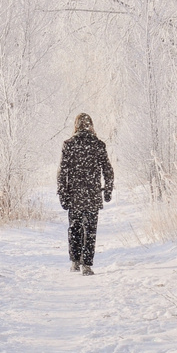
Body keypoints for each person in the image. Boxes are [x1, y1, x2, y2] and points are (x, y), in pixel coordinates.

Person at [57, 112, 114, 275]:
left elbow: (62, 173)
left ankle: (75, 261)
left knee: (74, 228)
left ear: (76, 125)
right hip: (92, 194)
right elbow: (108, 170)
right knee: (90, 230)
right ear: (91, 125)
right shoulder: (98, 145)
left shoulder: (69, 144)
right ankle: (87, 265)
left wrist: (63, 193)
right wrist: (108, 190)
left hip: (75, 194)